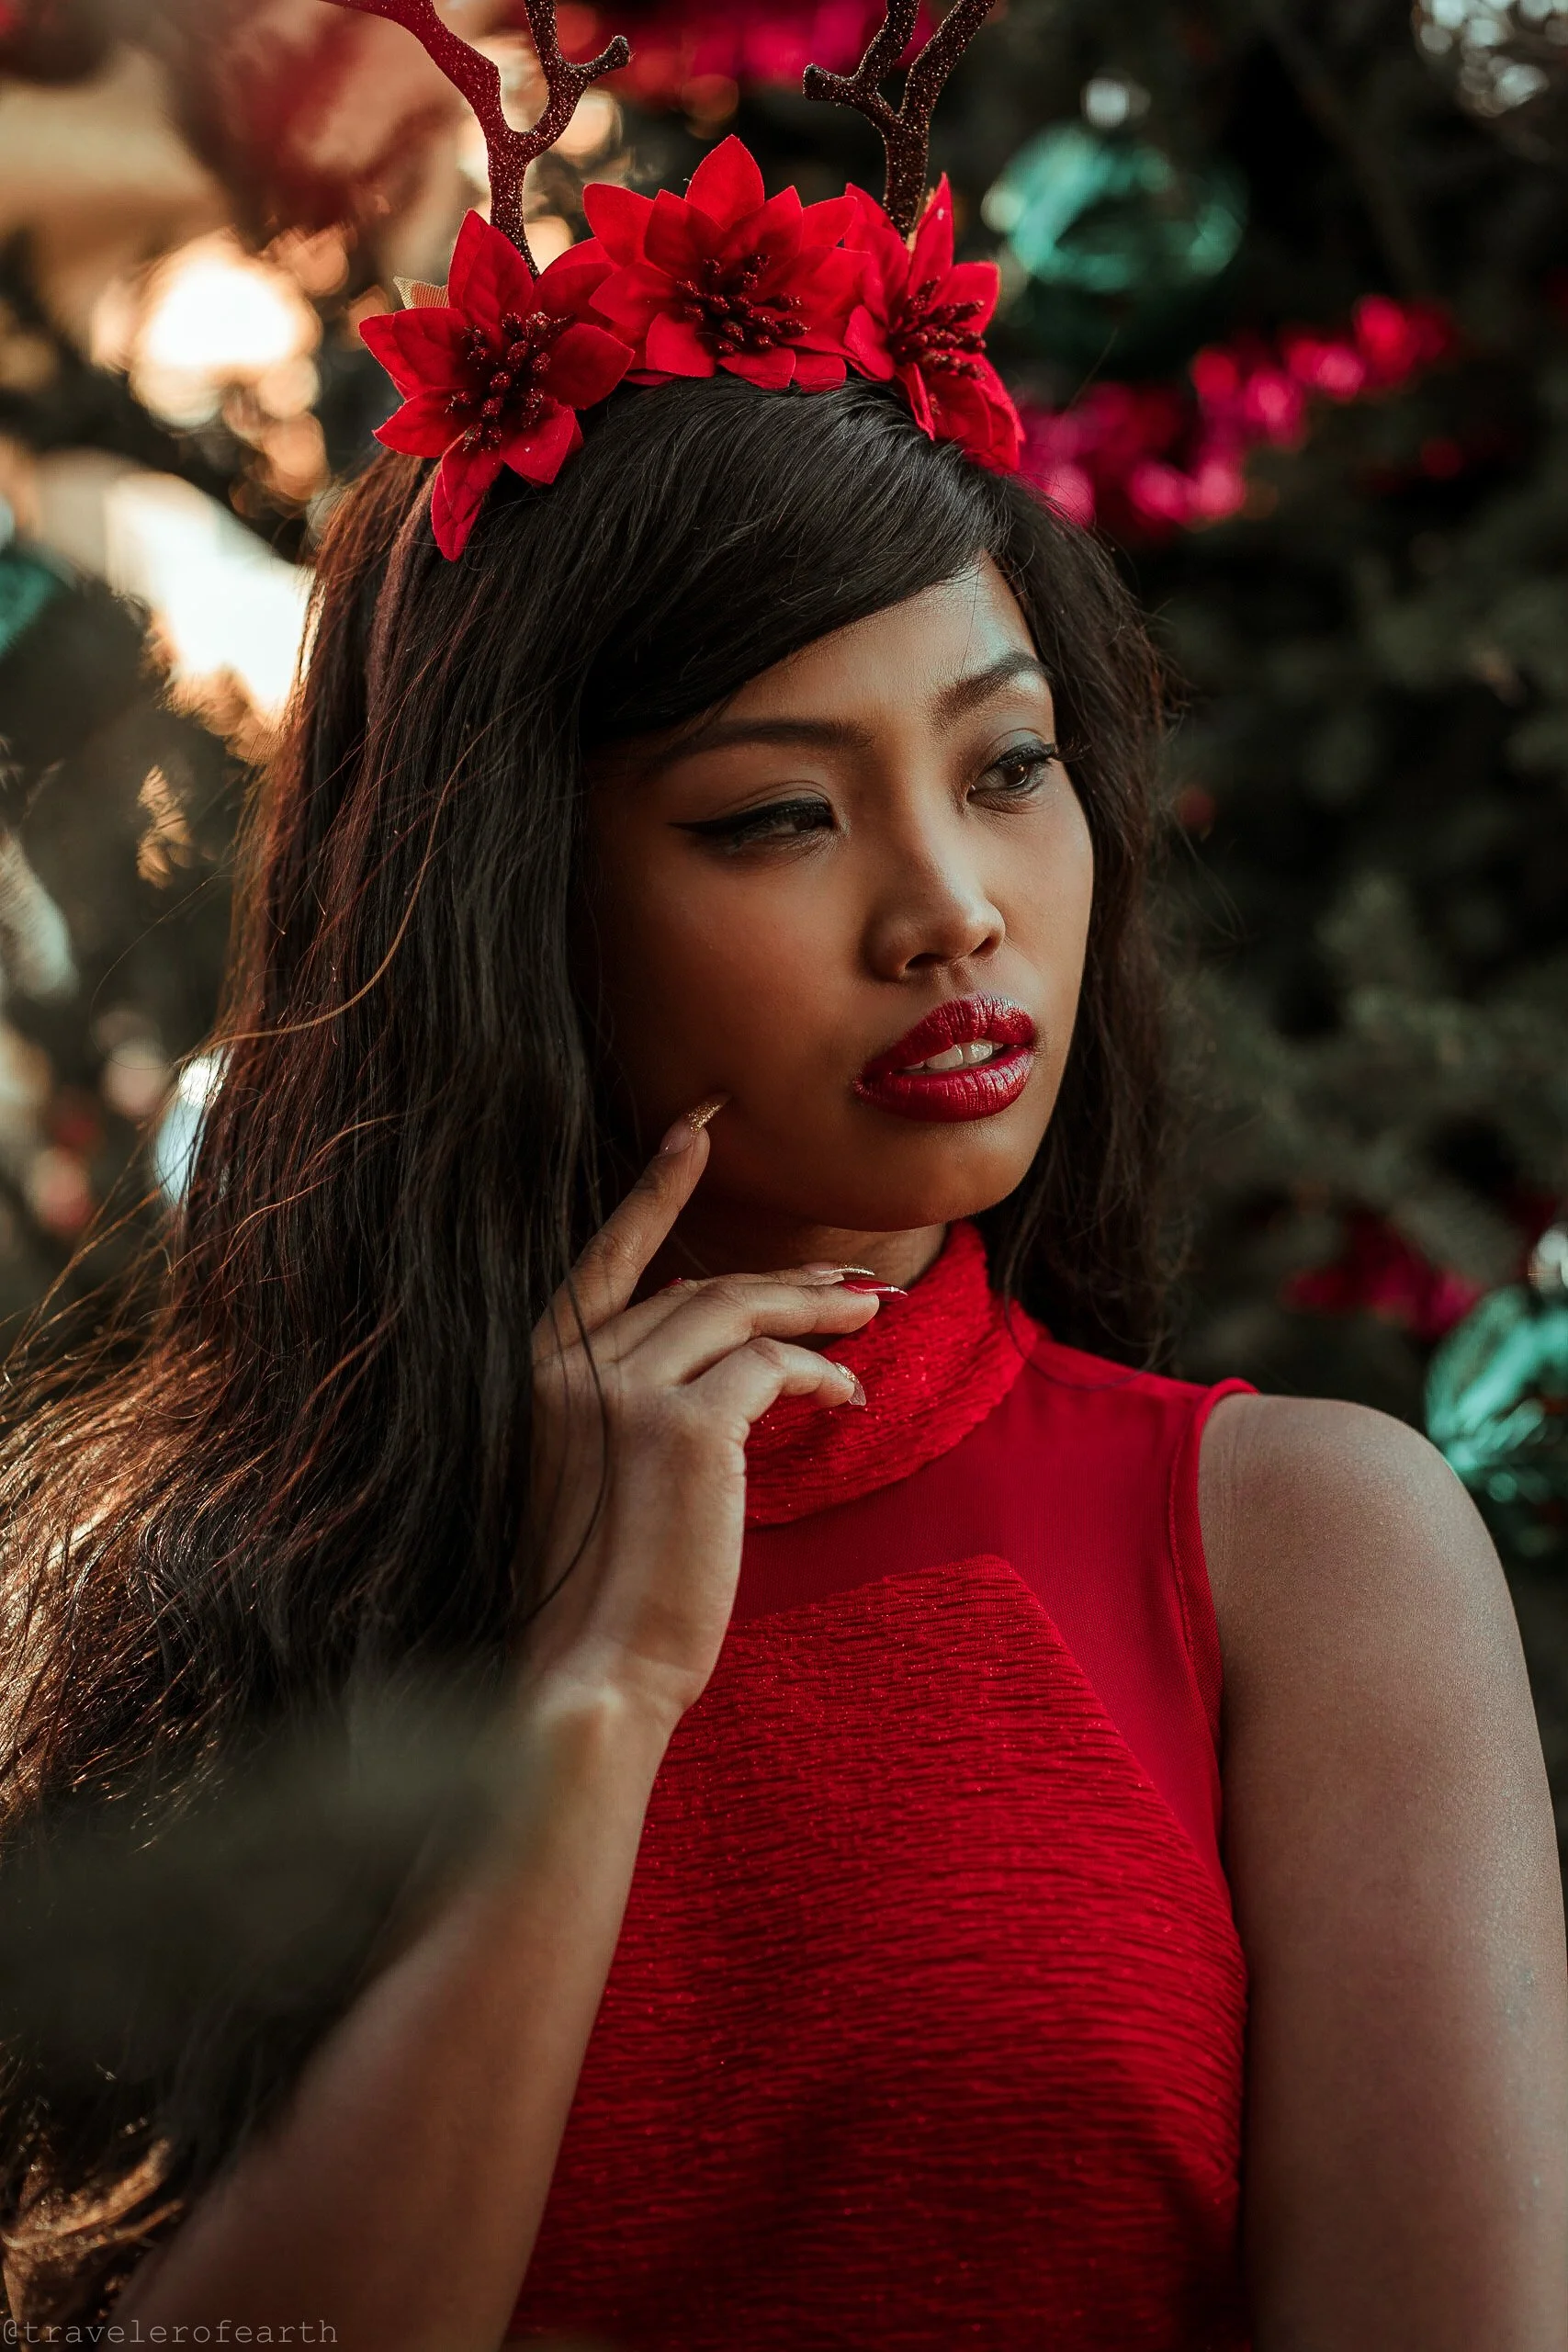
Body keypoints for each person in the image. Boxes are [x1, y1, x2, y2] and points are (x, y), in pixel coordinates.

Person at [2, 6, 1565, 2344]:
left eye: (1007, 766)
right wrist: (592, 1699)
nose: (949, 904)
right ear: (517, 901)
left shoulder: (1294, 1555)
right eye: (777, 813)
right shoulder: (221, 1599)